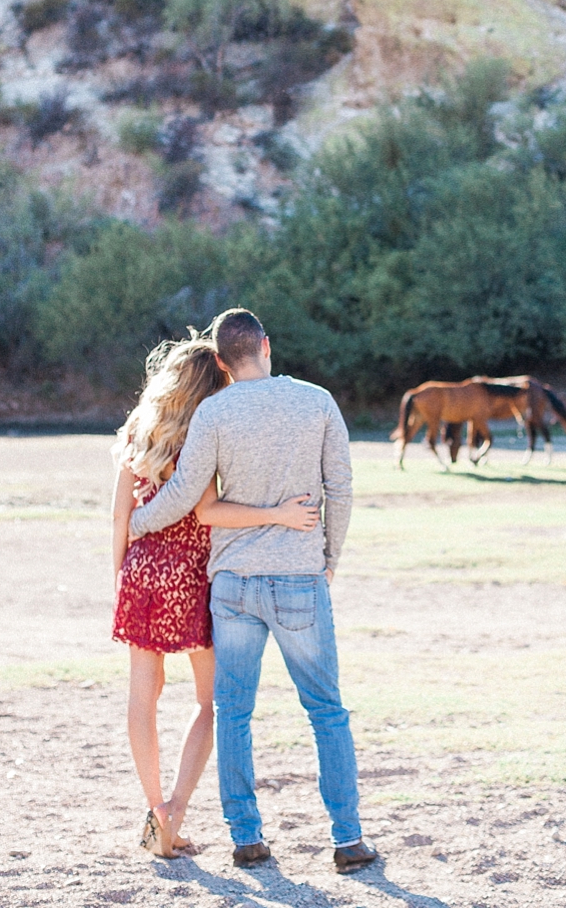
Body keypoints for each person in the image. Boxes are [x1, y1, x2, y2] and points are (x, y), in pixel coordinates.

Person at [128, 308, 377, 876]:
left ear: (220, 361)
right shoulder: (317, 401)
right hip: (298, 579)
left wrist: (135, 525)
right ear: (267, 345)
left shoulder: (214, 412)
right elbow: (340, 486)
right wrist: (329, 557)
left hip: (233, 585)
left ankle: (247, 839)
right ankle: (347, 841)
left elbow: (185, 496)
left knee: (232, 712)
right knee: (327, 713)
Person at [111, 330, 319, 859]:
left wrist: (121, 580)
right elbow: (203, 508)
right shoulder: (207, 430)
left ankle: (156, 809)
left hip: (140, 571)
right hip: (191, 572)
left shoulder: (140, 427)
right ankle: (175, 810)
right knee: (211, 701)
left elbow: (120, 516)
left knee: (144, 694)